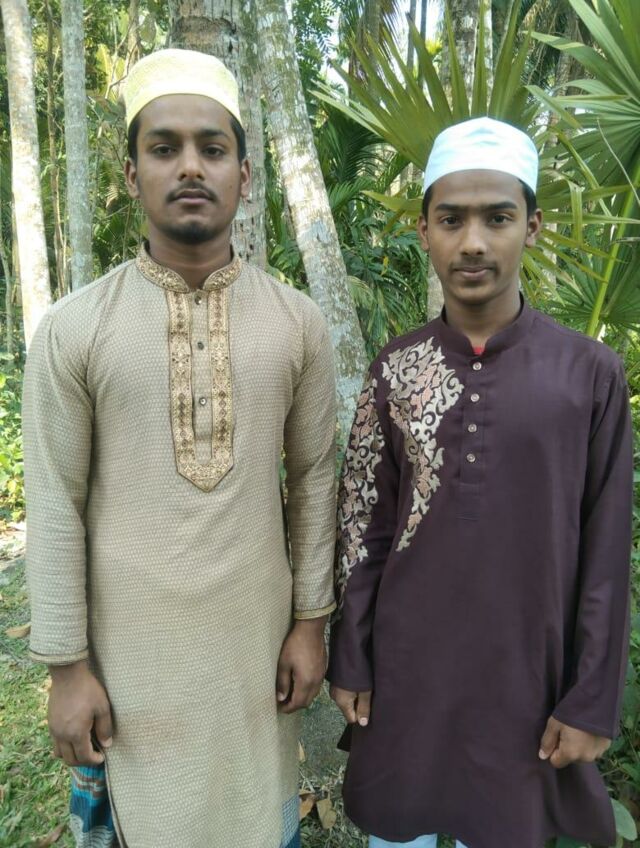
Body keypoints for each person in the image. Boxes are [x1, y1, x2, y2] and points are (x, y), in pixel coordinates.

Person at [23, 48, 337, 848]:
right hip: (130, 668)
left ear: (244, 174)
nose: (190, 166)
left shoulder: (297, 323)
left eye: (212, 148)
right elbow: (54, 499)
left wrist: (310, 623)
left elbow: (314, 480)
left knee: (256, 816)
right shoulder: (73, 329)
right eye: (165, 148)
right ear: (133, 176)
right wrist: (66, 669)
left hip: (253, 657)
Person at [327, 117, 632, 848]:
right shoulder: (396, 370)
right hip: (406, 680)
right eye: (451, 219)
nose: (473, 242)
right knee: (397, 825)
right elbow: (363, 528)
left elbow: (605, 549)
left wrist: (591, 697)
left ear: (532, 225)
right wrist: (352, 655)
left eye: (497, 218)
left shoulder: (589, 375)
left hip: (526, 687)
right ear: (425, 231)